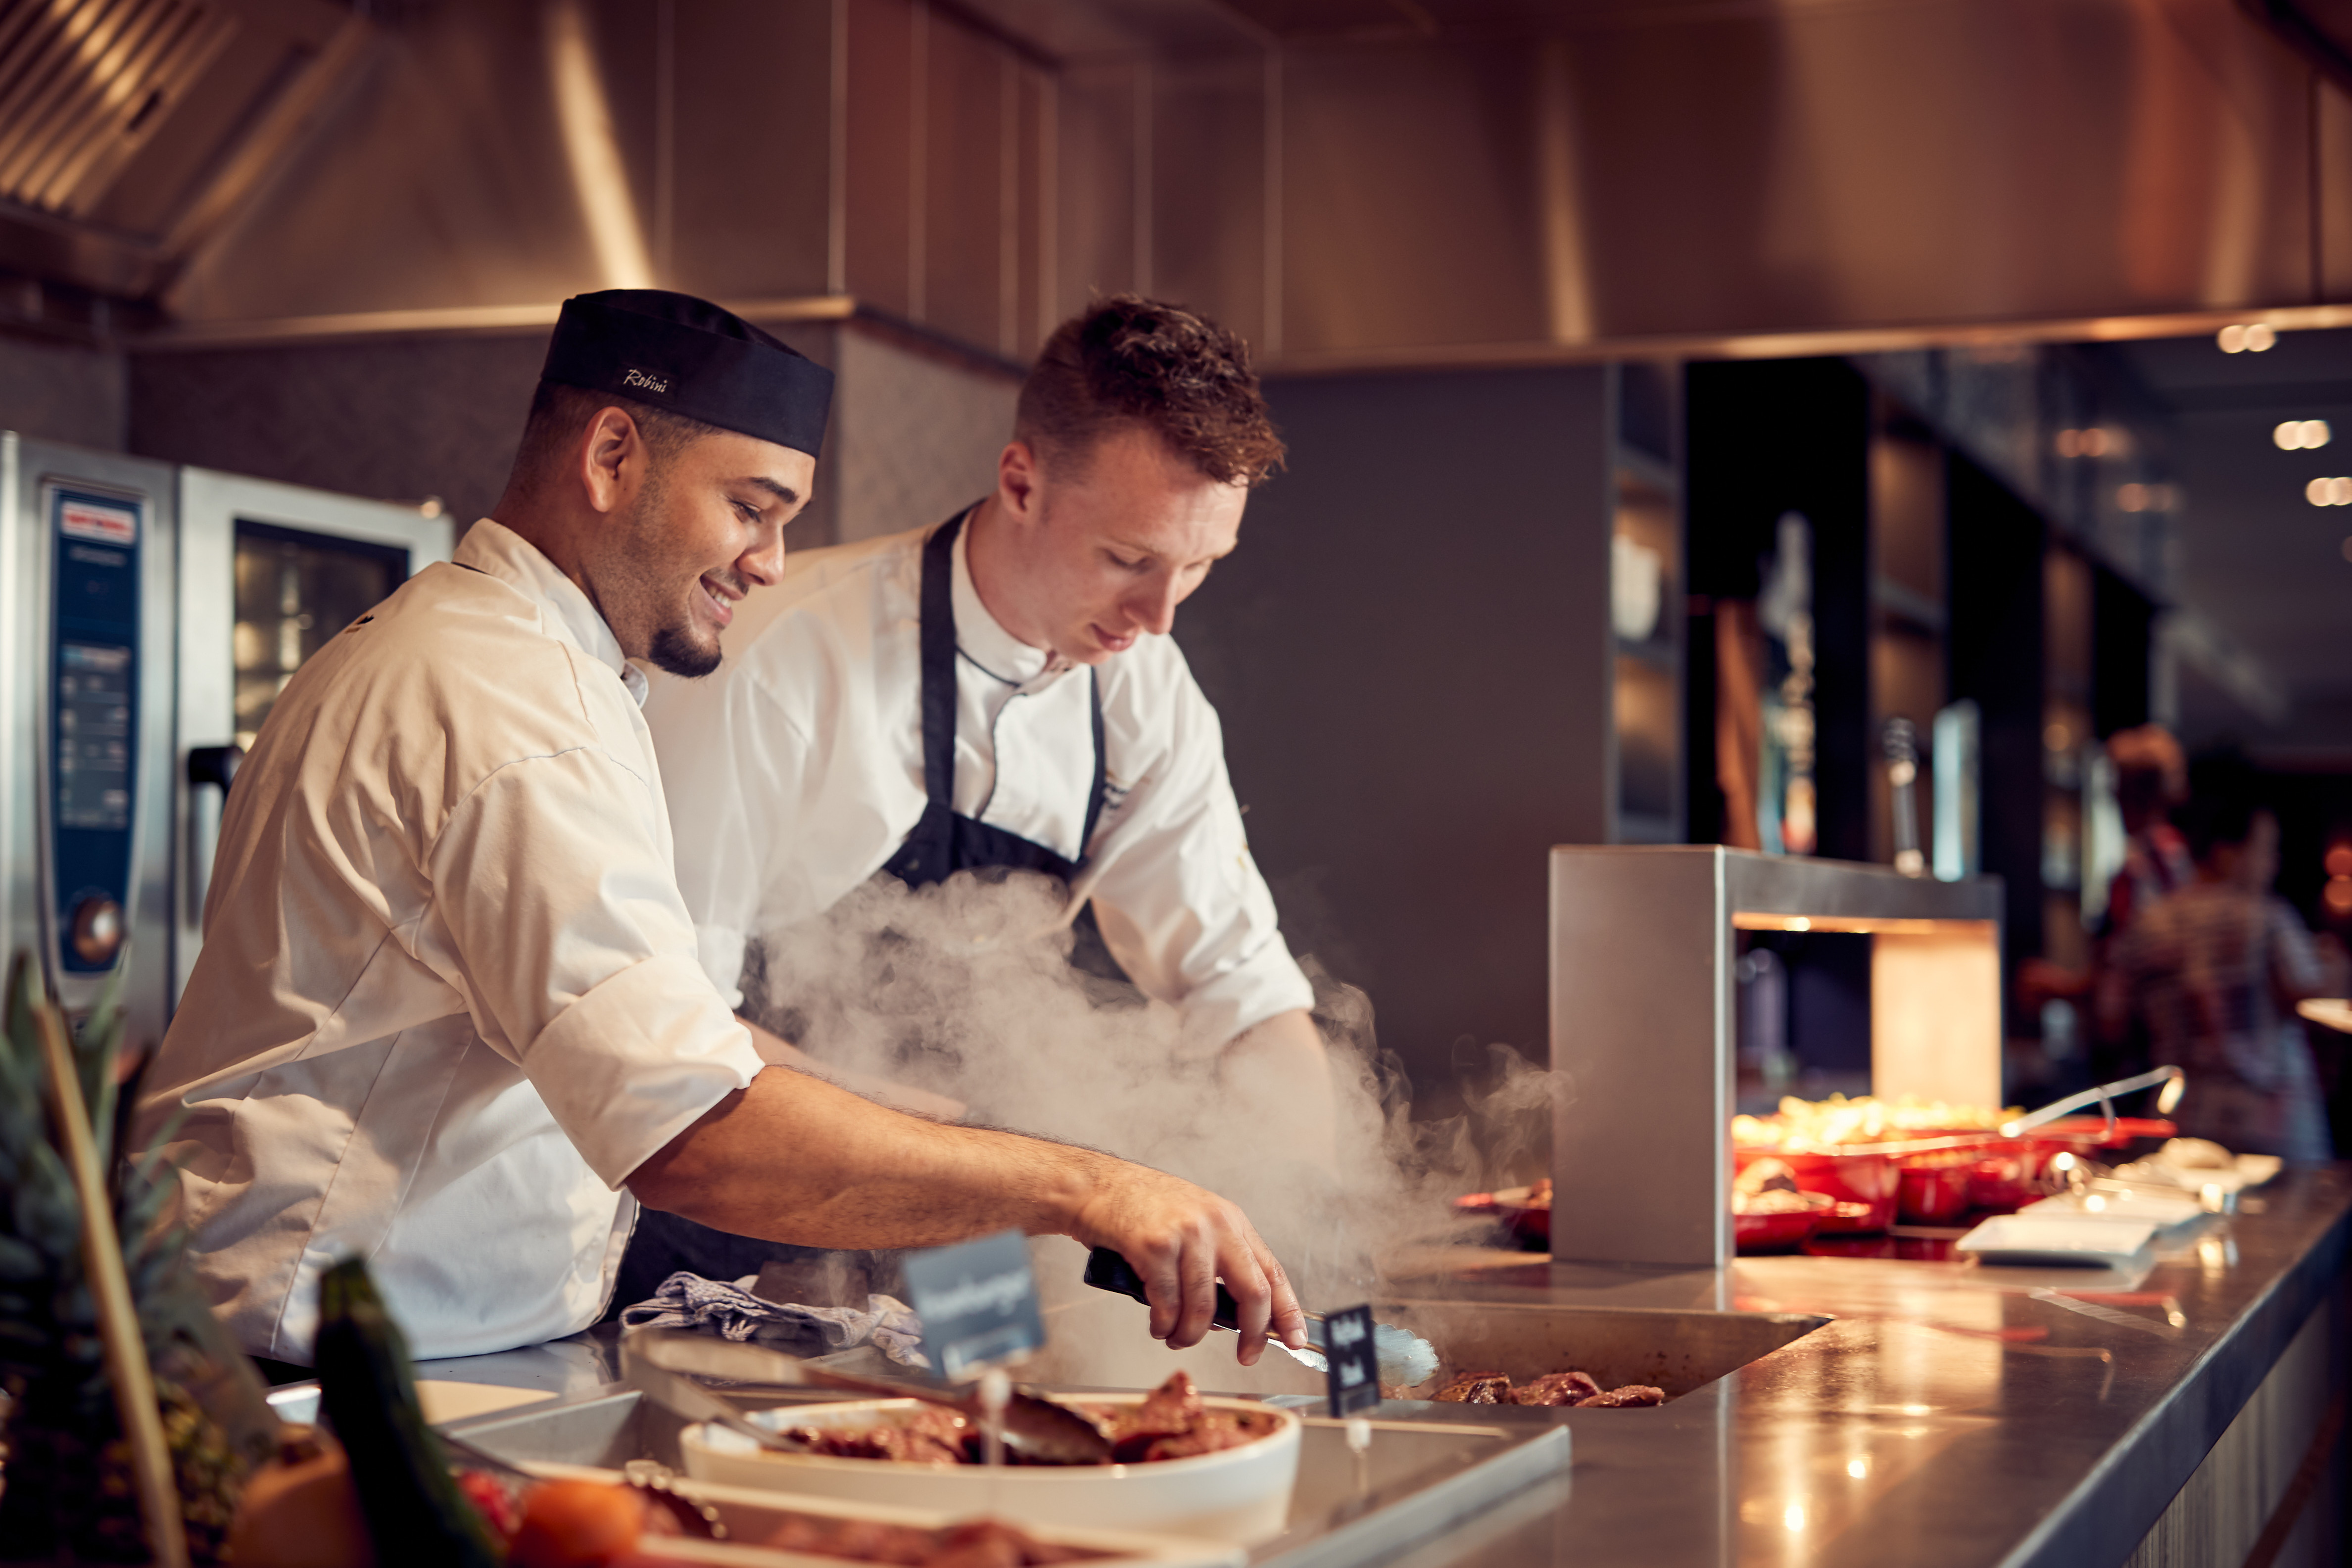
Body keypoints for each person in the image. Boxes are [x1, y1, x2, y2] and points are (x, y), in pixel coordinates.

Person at [132, 290, 1306, 1368]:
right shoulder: (510, 701)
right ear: (610, 454)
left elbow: (667, 1038)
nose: (772, 560)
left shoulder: (528, 665)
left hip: (450, 1328)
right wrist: (1083, 1186)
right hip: (332, 1343)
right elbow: (685, 1122)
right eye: (751, 507)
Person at [628, 295, 1336, 1297]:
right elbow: (668, 1019)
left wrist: (1312, 1228)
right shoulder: (782, 662)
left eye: (1201, 567)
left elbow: (1245, 999)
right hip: (740, 1236)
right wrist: (974, 1149)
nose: (1159, 616)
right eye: (1128, 560)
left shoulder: (1148, 695)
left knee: (986, 1438)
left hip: (975, 1247)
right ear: (1021, 481)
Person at [2110, 764, 2345, 1161]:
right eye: (2265, 849)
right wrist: (2335, 966)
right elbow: (2313, 1001)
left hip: (2178, 1121)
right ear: (2226, 854)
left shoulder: (2148, 924)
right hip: (2274, 1127)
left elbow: (2111, 1020)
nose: (2272, 863)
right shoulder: (2266, 918)